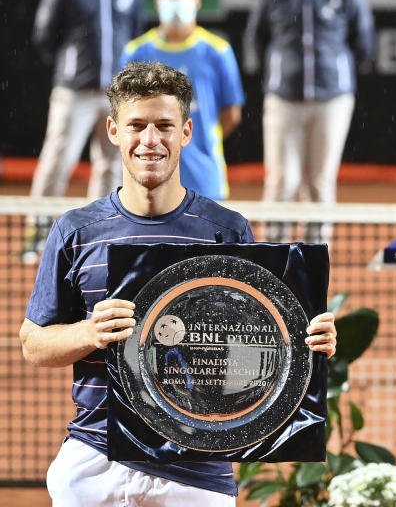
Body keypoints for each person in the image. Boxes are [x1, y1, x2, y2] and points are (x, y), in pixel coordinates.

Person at [19, 61, 338, 506]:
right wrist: (88, 332)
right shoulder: (75, 231)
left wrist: (307, 344)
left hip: (197, 474)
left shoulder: (225, 231)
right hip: (96, 460)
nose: (151, 140)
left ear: (186, 132)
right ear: (113, 131)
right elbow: (33, 345)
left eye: (164, 126)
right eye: (137, 126)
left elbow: (254, 348)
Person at [244, 0, 375, 242]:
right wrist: (281, 73)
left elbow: (364, 39)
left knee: (320, 181)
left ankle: (316, 258)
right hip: (284, 100)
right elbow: (255, 38)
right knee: (282, 182)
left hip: (333, 101)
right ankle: (273, 257)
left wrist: (335, 73)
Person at [25, 0, 146, 260]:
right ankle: (38, 231)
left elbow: (135, 35)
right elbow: (45, 36)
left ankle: (101, 233)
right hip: (74, 93)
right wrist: (75, 69)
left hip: (116, 97)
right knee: (57, 160)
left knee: (111, 165)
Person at [120, 0, 245, 201]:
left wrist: (195, 141)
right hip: (149, 183)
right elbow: (124, 114)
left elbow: (231, 113)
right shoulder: (135, 52)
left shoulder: (218, 51)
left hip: (205, 180)